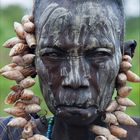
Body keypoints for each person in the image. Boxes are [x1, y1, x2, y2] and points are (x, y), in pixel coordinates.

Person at [0, 0, 140, 140]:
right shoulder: (7, 133)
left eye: (98, 54)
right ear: (31, 58)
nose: (75, 80)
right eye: (53, 55)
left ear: (124, 56)